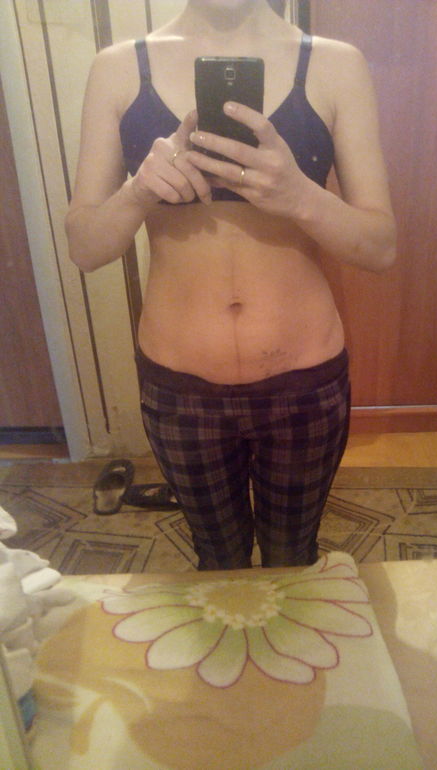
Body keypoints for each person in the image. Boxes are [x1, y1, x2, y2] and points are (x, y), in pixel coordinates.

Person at [66, 0, 396, 570]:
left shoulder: (336, 65)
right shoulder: (118, 68)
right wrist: (139, 191)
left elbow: (380, 246)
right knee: (217, 560)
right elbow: (86, 247)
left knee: (293, 558)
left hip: (304, 381)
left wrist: (299, 195)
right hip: (179, 388)